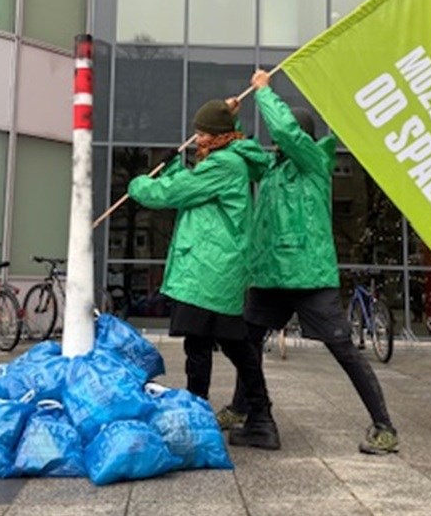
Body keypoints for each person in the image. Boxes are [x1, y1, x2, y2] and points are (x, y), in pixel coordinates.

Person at [218, 70, 401, 455]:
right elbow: (242, 150)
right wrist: (230, 120)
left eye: (283, 138)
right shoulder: (271, 170)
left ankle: (384, 427)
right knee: (247, 344)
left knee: (343, 349)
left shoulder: (314, 162)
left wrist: (264, 92)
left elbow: (286, 133)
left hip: (309, 278)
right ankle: (240, 407)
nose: (275, 143)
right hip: (270, 278)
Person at [127, 99, 281, 450]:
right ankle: (255, 417)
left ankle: (214, 419)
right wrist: (168, 170)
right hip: (213, 269)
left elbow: (174, 193)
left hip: (210, 270)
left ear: (217, 136)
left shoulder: (224, 165)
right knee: (224, 344)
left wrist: (138, 186)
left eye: (201, 133)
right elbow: (187, 183)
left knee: (209, 346)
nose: (196, 139)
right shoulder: (227, 158)